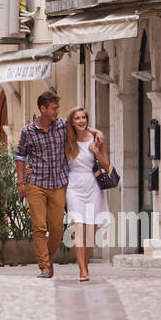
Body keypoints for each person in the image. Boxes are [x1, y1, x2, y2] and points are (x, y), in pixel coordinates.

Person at [15, 91, 68, 279]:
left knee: (57, 229)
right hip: (36, 183)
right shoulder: (28, 132)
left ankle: (49, 258)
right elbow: (20, 156)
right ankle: (44, 267)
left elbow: (83, 128)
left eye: (57, 108)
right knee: (39, 228)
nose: (57, 111)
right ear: (43, 109)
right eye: (54, 108)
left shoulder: (63, 126)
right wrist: (21, 181)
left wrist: (96, 133)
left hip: (58, 183)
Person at [65, 107, 112, 282]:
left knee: (91, 230)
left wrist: (97, 152)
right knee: (79, 227)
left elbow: (106, 165)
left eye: (83, 117)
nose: (81, 121)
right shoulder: (66, 140)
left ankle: (83, 265)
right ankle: (83, 270)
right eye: (77, 118)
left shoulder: (96, 139)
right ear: (72, 122)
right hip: (73, 187)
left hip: (93, 185)